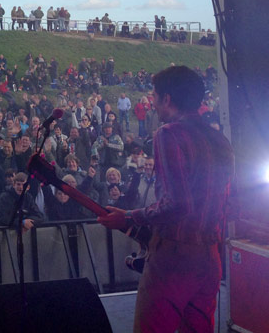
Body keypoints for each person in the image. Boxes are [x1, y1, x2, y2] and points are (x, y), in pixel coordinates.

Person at [98, 65, 234, 333]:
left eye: (154, 96)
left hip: (174, 258)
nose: (152, 103)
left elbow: (177, 204)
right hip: (210, 259)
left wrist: (127, 217)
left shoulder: (169, 134)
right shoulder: (220, 140)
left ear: (167, 99)